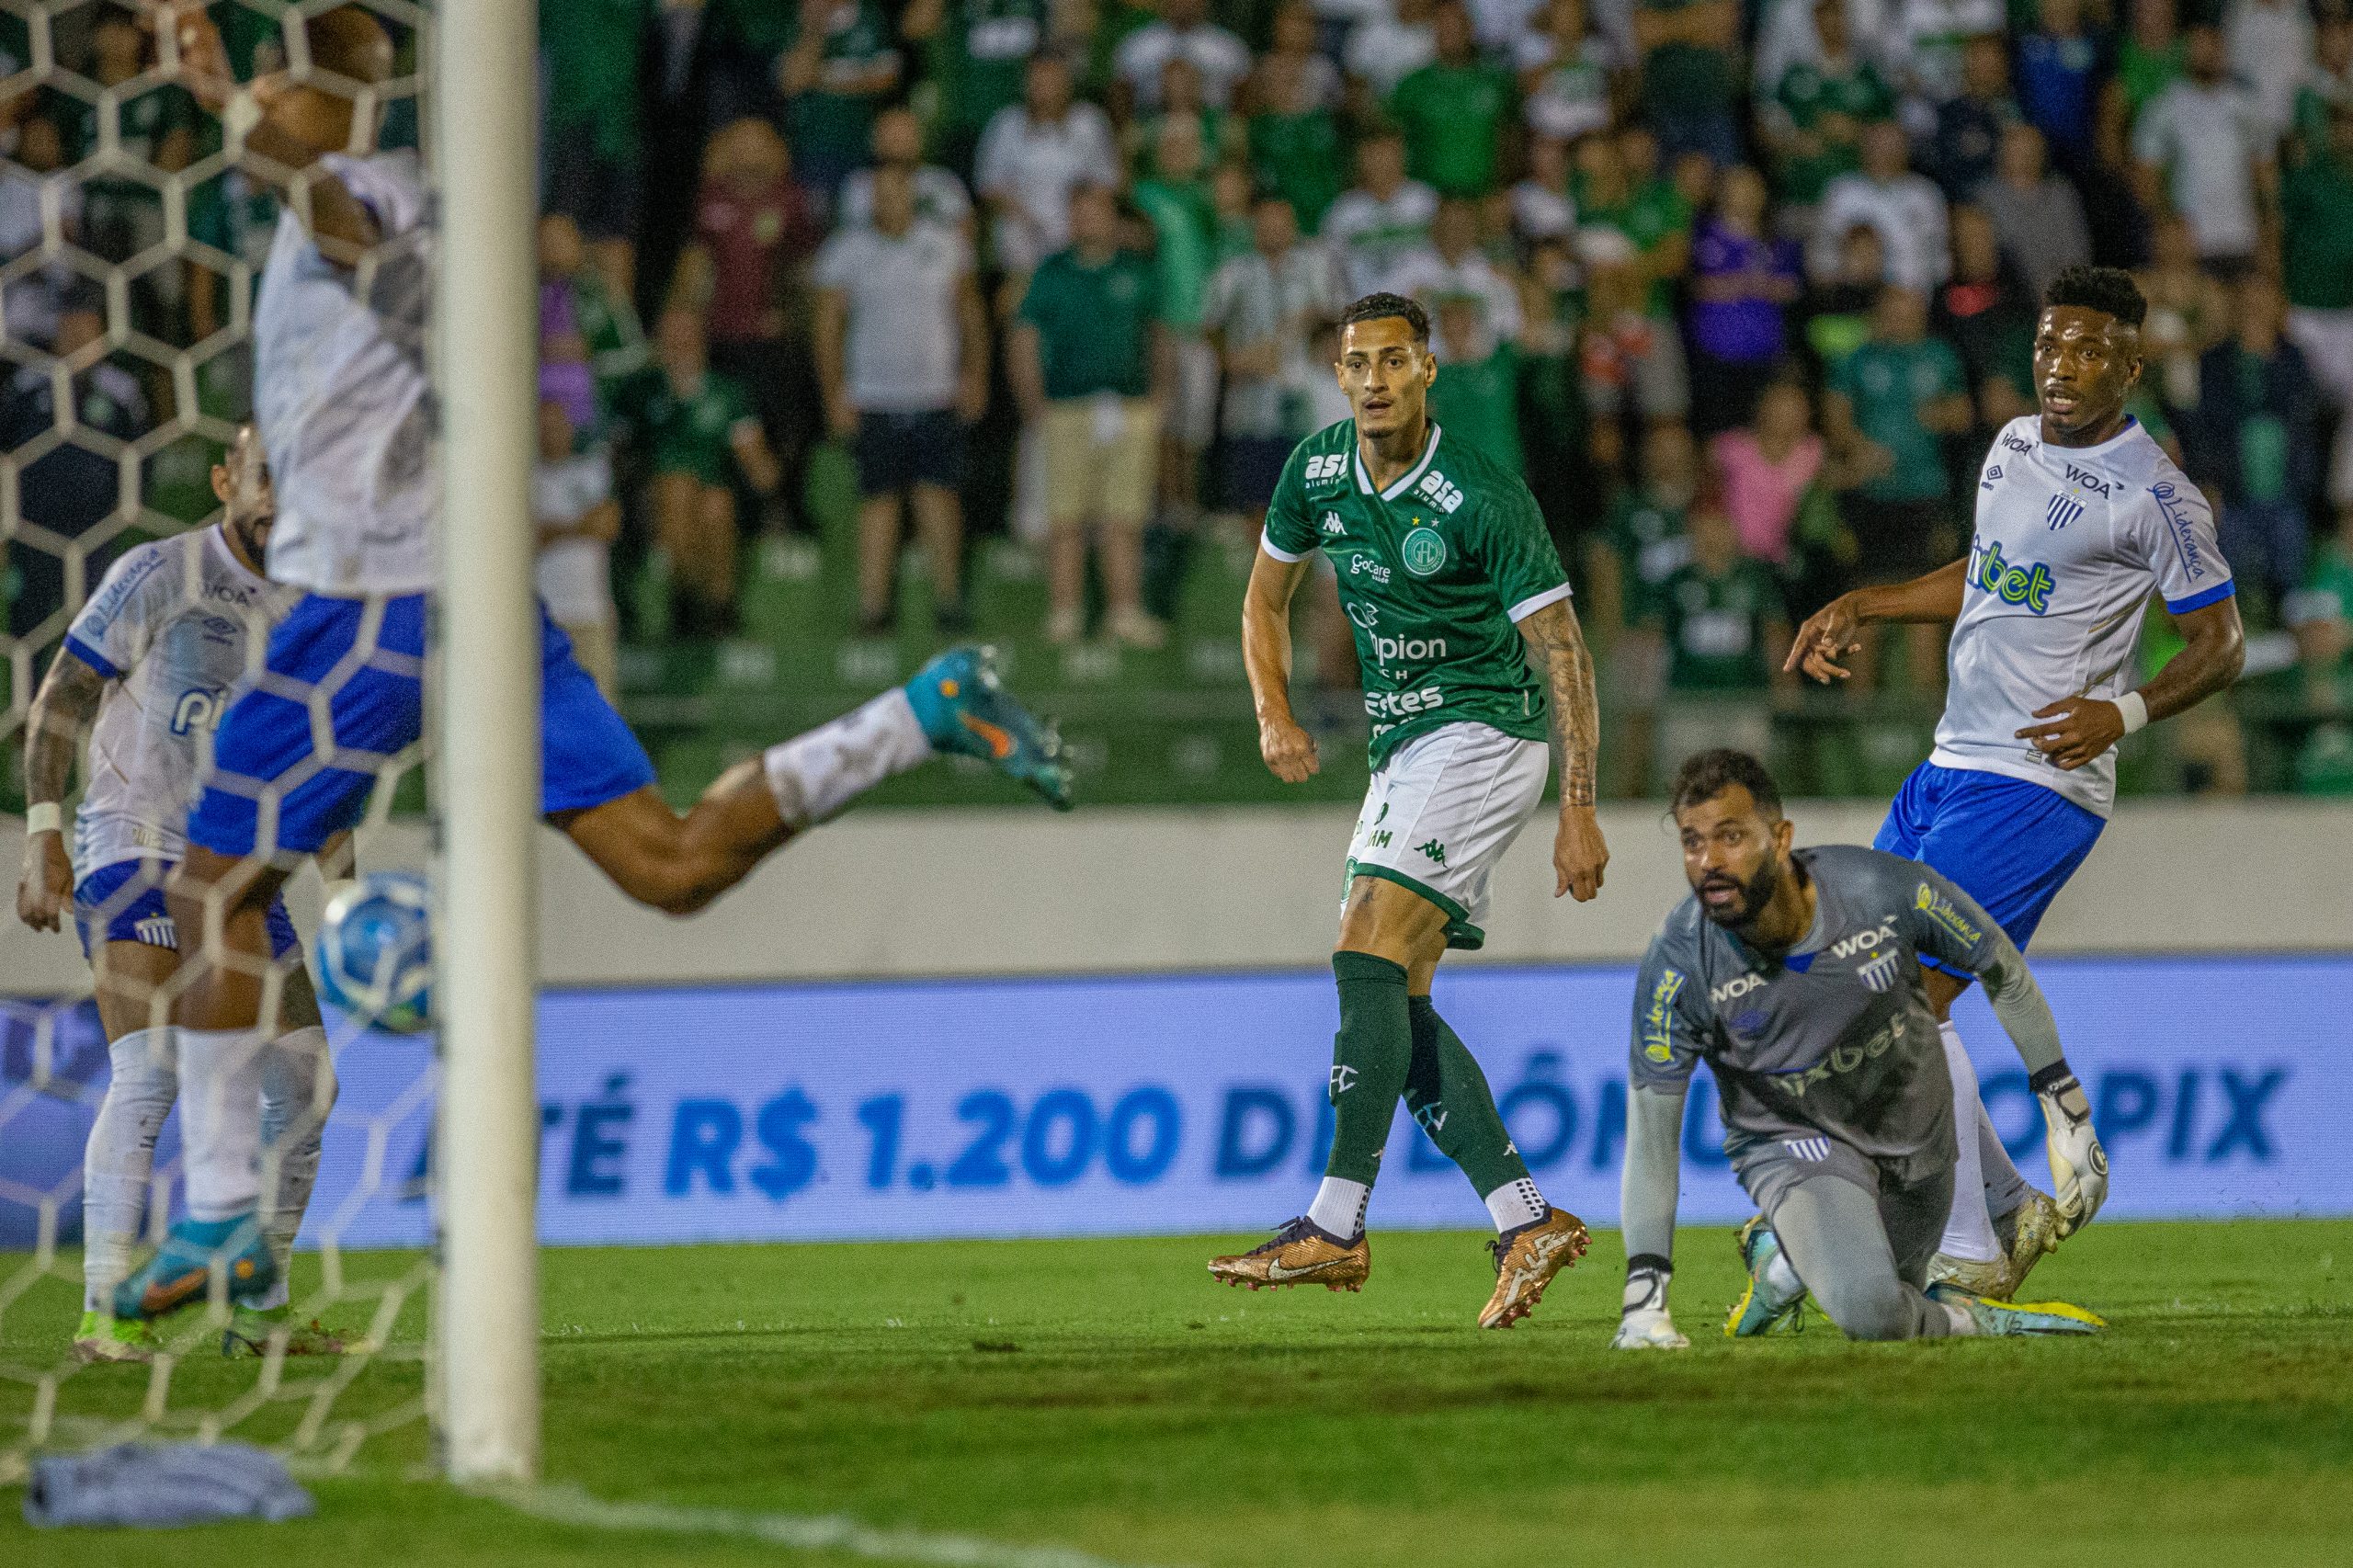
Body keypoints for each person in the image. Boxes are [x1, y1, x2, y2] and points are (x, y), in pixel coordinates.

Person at [112, 4, 1074, 1329]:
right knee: (667, 866)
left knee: (211, 890)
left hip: (375, 603)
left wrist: (221, 96)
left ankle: (224, 1215)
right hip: (473, 598)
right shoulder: (337, 209)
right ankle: (921, 713)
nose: (266, 102)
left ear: (339, 97)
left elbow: (337, 225)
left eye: (286, 82)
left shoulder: (372, 193)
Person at [1787, 267, 2246, 1300]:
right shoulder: (2009, 444)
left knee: (1902, 997)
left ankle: (1971, 1252)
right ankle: (2004, 1207)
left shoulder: (2156, 494)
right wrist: (1867, 602)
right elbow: (1984, 572)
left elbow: (2219, 646)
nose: (2060, 367)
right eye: (2047, 346)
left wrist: (2121, 713)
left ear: (2130, 365)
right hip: (1951, 760)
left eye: (2087, 351)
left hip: (2038, 782)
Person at [1211, 292, 1607, 1329]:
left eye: (1394, 361)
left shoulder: (1481, 493)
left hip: (1482, 731)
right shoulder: (1317, 472)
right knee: (1401, 989)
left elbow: (1561, 646)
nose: (1373, 379)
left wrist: (1578, 806)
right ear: (1336, 375)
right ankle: (1527, 1217)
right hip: (1401, 750)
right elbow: (1263, 599)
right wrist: (1273, 714)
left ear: (1429, 370)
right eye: (1356, 363)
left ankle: (1332, 1224)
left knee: (1361, 949)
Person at [17, 427, 339, 1364]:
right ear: (224, 479)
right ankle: (105, 1317)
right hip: (134, 846)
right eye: (266, 475)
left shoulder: (311, 608)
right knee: (152, 1070)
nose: (281, 497)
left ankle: (257, 1313)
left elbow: (317, 757)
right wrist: (43, 831)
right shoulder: (159, 569)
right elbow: (62, 697)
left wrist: (346, 892)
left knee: (307, 1086)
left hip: (241, 867)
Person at [1611, 750, 2109, 1348]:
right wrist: (1645, 1305)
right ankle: (1971, 1319)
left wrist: (2064, 1103)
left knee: (1886, 1278)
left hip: (1915, 1140)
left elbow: (2000, 966)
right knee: (1873, 1313)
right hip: (1793, 1140)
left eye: (1731, 837)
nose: (1709, 862)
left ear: (1780, 838)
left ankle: (1783, 1260)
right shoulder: (1680, 961)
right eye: (1692, 843)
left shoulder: (1876, 889)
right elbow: (1650, 1136)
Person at [814, 163, 990, 634]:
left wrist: (975, 374)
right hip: (873, 395)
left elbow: (970, 313)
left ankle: (949, 599)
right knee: (878, 500)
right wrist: (834, 392)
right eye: (879, 194)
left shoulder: (945, 243)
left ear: (912, 196)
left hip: (935, 393)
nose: (886, 202)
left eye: (896, 193)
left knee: (939, 496)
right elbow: (827, 327)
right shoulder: (848, 250)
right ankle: (874, 607)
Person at [1009, 184, 1170, 646]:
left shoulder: (1136, 271)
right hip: (1065, 408)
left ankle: (1123, 611)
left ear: (1110, 218)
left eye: (1094, 212)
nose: (1085, 221)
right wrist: (1032, 401)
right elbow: (1025, 337)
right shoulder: (1051, 273)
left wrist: (1160, 395)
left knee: (1124, 516)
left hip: (1128, 407)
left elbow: (1159, 334)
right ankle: (1065, 613)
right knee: (1066, 517)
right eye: (1076, 213)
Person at [1822, 284, 1972, 692]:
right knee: (1864, 608)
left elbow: (1962, 413)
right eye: (1893, 312)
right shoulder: (1856, 360)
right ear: (1878, 315)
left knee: (1922, 615)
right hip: (1871, 499)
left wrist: (1940, 414)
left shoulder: (1938, 357)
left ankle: (1924, 724)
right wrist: (1859, 448)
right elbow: (1835, 419)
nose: (1900, 320)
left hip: (1925, 497)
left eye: (1908, 312)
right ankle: (1859, 723)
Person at [1203, 193, 1344, 528]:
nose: (1274, 230)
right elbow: (1209, 328)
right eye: (1266, 223)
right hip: (1252, 406)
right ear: (1254, 227)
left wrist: (1311, 320)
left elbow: (1340, 322)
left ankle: (1310, 578)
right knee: (1258, 501)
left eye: (1282, 222)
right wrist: (1233, 360)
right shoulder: (1234, 273)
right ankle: (1264, 578)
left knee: (1311, 498)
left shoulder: (1316, 267)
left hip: (1306, 401)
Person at [2131, 23, 2272, 280]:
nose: (2206, 51)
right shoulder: (2165, 106)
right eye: (2199, 44)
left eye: (2213, 43)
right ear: (2186, 49)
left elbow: (2265, 174)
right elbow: (2146, 177)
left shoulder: (2245, 105)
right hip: (2193, 245)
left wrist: (2268, 232)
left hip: (2243, 239)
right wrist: (2167, 234)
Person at [534, 398, 625, 699]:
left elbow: (609, 524)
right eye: (543, 428)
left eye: (557, 426)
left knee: (600, 705)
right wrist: (580, 526)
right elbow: (527, 539)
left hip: (591, 612)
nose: (551, 434)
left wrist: (554, 530)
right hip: (542, 616)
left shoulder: (592, 470)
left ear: (569, 429)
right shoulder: (523, 480)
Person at [1813, 119, 1949, 293]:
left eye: (1893, 144)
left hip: (1912, 298)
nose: (1884, 150)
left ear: (1906, 148)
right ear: (1864, 147)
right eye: (1877, 143)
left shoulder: (1925, 194)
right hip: (1852, 297)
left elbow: (1939, 256)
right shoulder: (1842, 191)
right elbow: (1823, 250)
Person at [1323, 130, 1440, 299]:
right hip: (1364, 311)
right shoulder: (1344, 212)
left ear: (1401, 156)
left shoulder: (1426, 202)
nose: (1381, 163)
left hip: (1421, 309)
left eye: (1387, 154)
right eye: (1373, 156)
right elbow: (1332, 270)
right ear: (1360, 160)